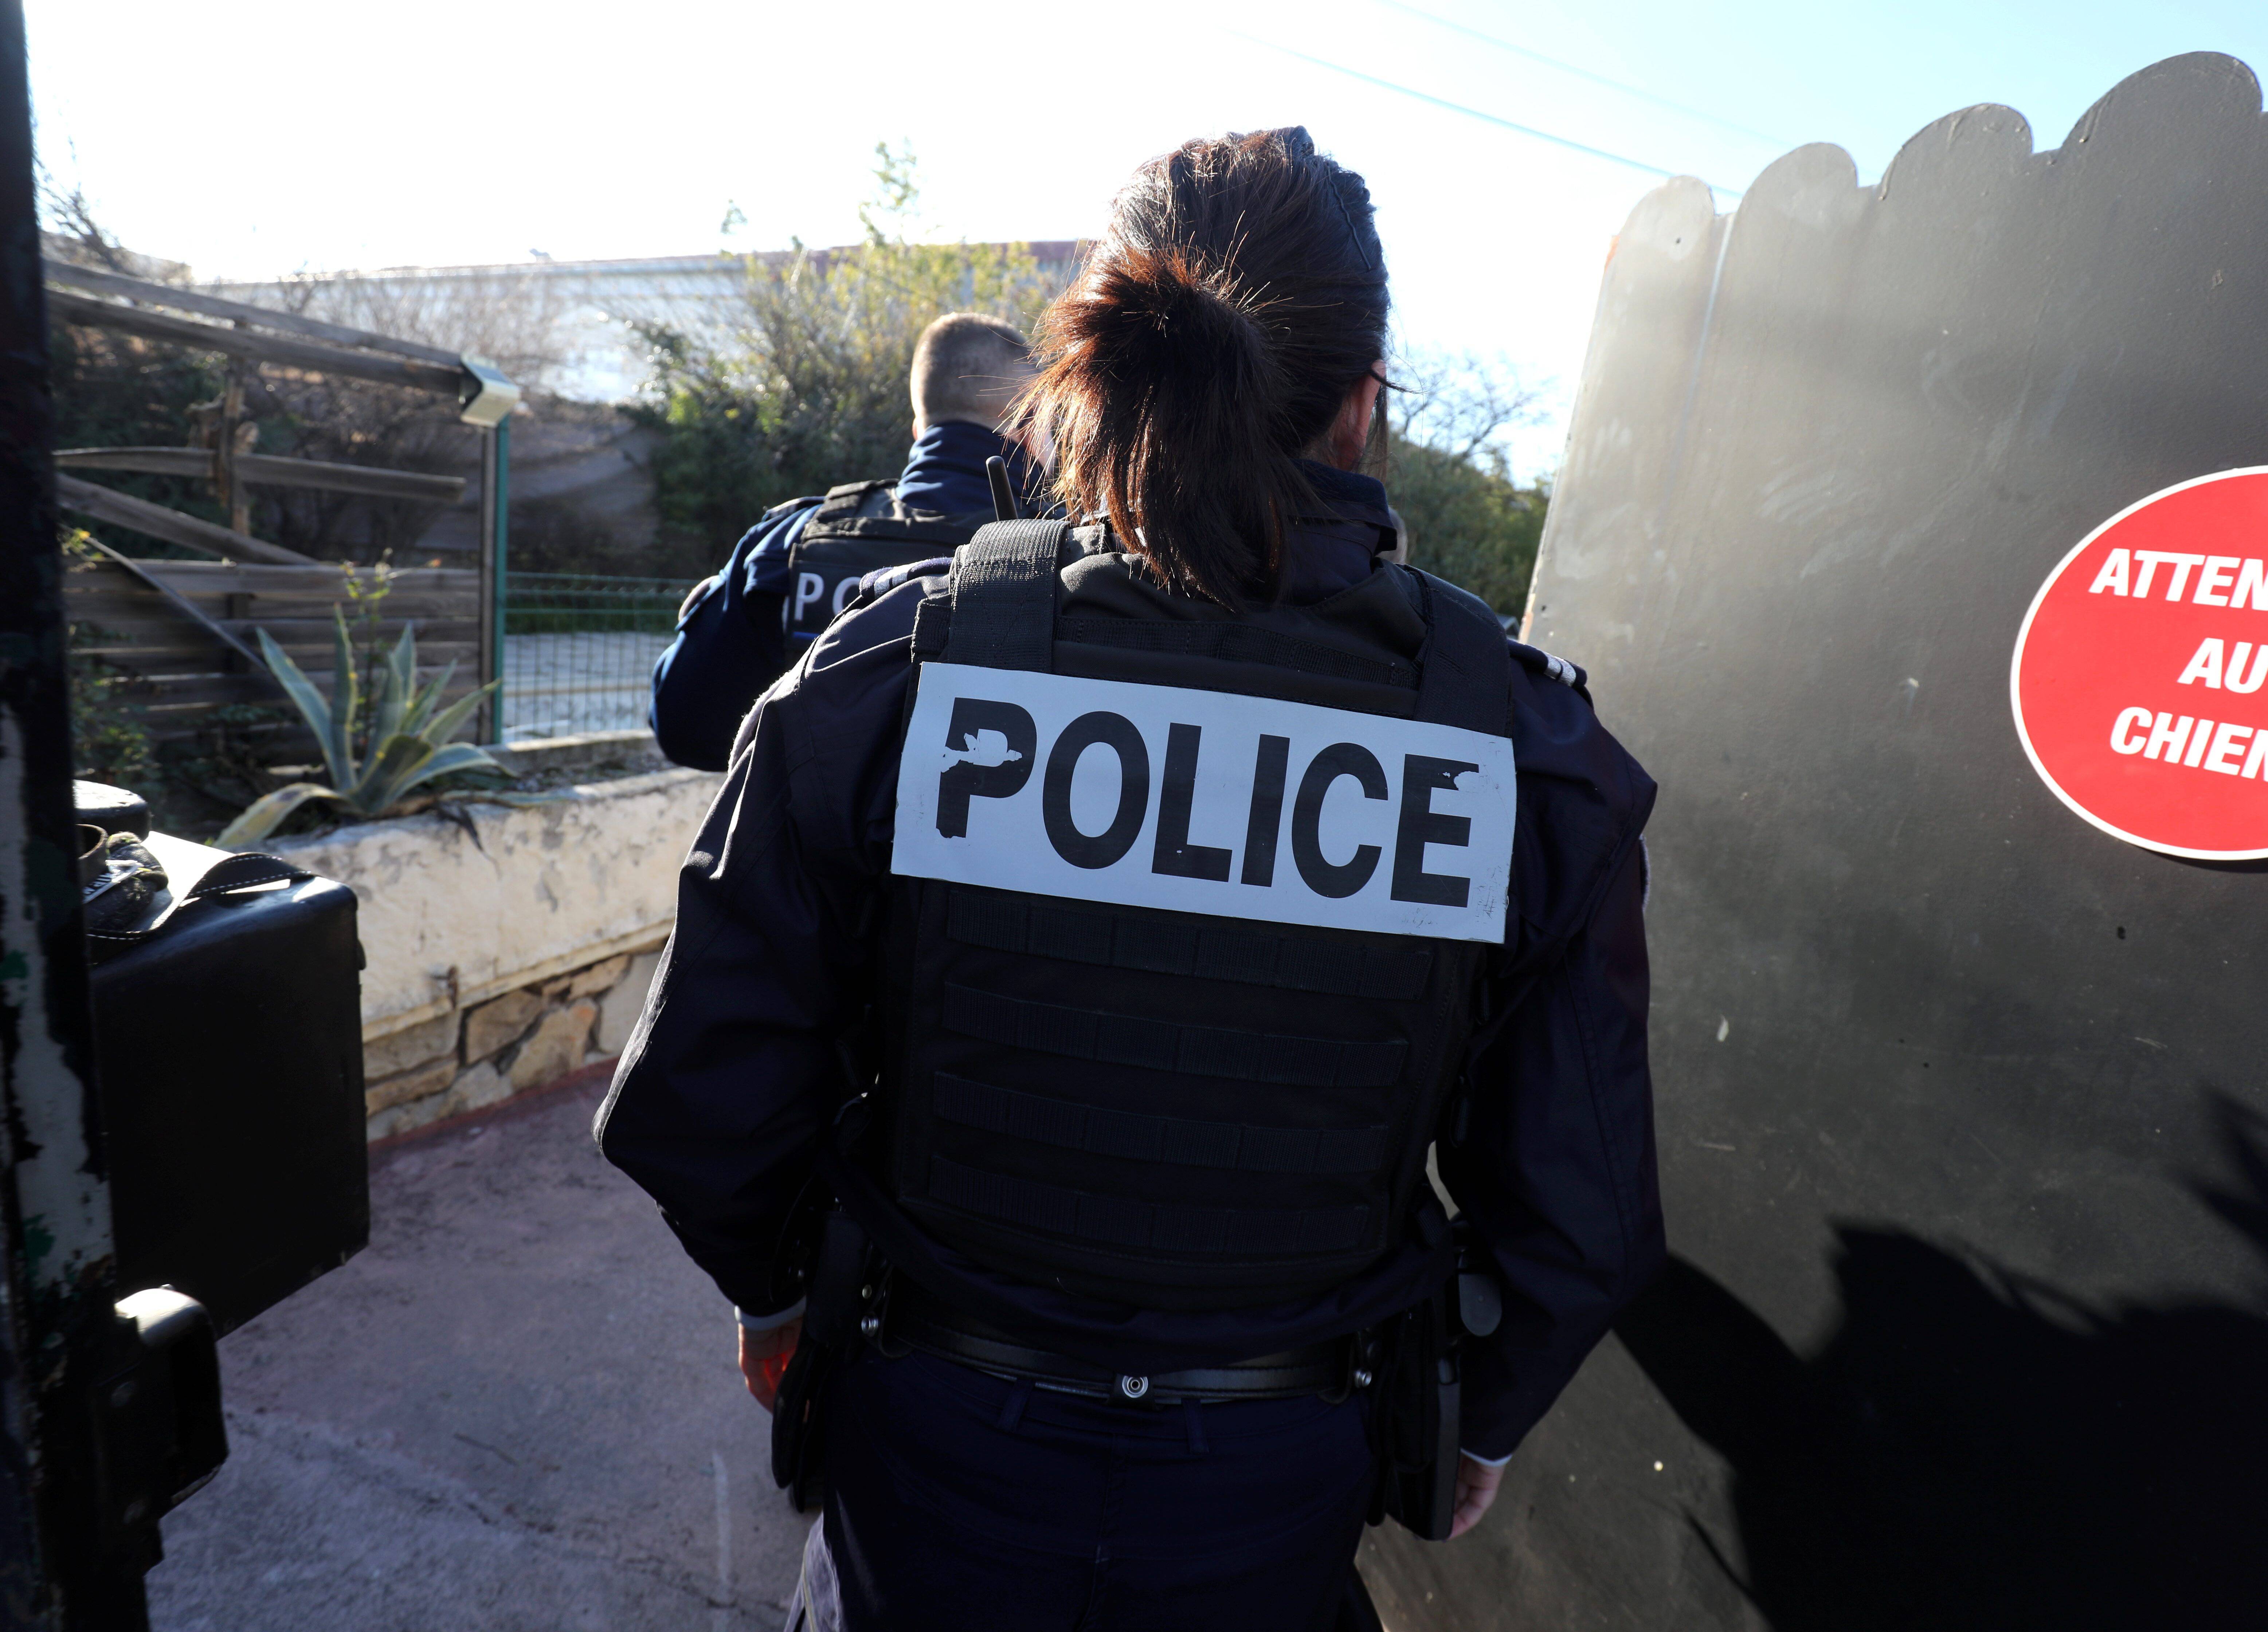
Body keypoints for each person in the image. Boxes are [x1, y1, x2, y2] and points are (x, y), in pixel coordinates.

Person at [596, 126, 1661, 1631]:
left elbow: (704, 1091)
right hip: (1278, 1480)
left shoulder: (892, 677)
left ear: (1099, 375)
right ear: (1363, 403)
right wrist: (1476, 1419)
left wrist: (776, 1300)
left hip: (928, 1452)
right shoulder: (1523, 748)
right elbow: (1583, 1206)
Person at [646, 312, 1043, 770]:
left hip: (809, 817)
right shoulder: (1071, 559)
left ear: (919, 429)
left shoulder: (789, 539)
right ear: (1030, 425)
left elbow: (684, 729)